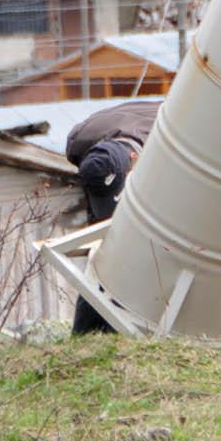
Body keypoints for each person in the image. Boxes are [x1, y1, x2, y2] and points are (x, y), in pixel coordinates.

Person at [64, 96, 161, 333]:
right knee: (105, 248)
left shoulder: (168, 140)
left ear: (135, 161)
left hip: (157, 131)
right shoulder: (78, 143)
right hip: (112, 145)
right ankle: (87, 332)